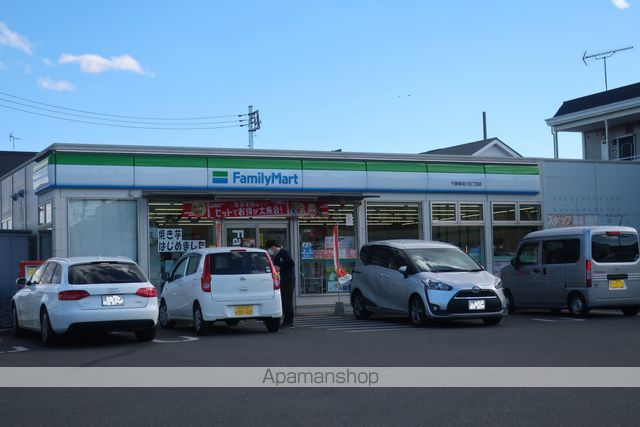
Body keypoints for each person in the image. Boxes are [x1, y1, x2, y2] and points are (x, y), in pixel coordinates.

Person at [265, 239, 295, 327]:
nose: (269, 252)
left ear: (273, 247)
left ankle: (289, 321)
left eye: (269, 249)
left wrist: (280, 268)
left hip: (288, 280)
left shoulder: (284, 253)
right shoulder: (276, 256)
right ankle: (285, 319)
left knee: (287, 300)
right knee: (283, 300)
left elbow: (291, 263)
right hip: (281, 280)